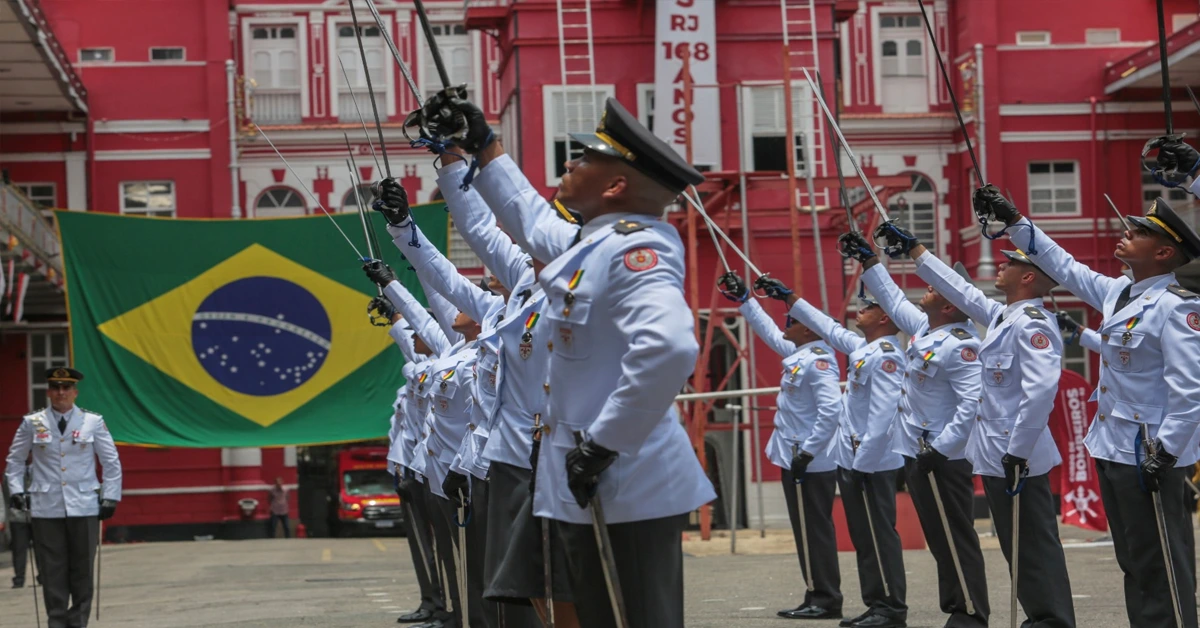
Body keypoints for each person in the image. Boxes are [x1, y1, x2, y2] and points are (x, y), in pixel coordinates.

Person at [415, 93, 716, 628]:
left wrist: (603, 444)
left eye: (584, 160)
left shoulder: (634, 250)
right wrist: (483, 147)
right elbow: (526, 216)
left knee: (634, 617)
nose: (570, 165)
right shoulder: (591, 242)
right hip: (580, 478)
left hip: (627, 482)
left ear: (615, 186)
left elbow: (670, 347)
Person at [975, 158, 1200, 628]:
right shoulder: (1119, 294)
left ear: (1163, 254)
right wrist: (1014, 221)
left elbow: (1190, 388)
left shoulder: (1177, 308)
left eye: (1138, 233)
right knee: (1135, 560)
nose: (1125, 234)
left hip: (1150, 449)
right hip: (1113, 446)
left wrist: (1170, 450)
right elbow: (1062, 263)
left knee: (1161, 561)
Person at [876, 221, 1076, 628]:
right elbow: (962, 290)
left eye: (1011, 262)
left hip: (1017, 455)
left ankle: (1051, 621)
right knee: (1017, 548)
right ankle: (1040, 619)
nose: (1000, 264)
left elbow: (1039, 394)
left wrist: (1017, 452)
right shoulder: (1005, 315)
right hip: (996, 455)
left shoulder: (1033, 322)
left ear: (1029, 276)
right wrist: (916, 252)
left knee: (1033, 546)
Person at [840, 231, 990, 628]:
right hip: (918, 453)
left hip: (941, 456)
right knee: (940, 540)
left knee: (955, 537)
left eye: (934, 288)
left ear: (950, 304)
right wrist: (870, 262)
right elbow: (890, 299)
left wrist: (940, 449)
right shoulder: (927, 330)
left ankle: (971, 614)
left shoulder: (961, 345)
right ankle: (957, 609)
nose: (925, 290)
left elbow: (973, 403)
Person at [755, 275, 909, 628]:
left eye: (869, 306)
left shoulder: (886, 355)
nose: (860, 309)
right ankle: (877, 604)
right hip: (854, 460)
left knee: (876, 536)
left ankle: (889, 608)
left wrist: (862, 464)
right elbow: (825, 326)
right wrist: (791, 298)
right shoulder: (861, 348)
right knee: (864, 537)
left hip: (870, 463)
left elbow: (883, 415)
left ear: (885, 317)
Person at [717, 271, 844, 621]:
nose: (785, 324)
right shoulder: (802, 352)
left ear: (808, 330)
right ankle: (816, 592)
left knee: (813, 530)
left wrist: (808, 451)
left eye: (792, 321)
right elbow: (770, 333)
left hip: (808, 460)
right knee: (807, 530)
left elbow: (831, 409)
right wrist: (746, 301)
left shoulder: (818, 363)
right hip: (797, 456)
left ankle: (825, 598)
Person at [5, 367, 122, 628]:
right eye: (56, 388)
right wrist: (16, 491)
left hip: (84, 505)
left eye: (66, 388)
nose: (61, 393)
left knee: (82, 568)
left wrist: (111, 496)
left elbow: (111, 461)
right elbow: (14, 461)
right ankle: (56, 622)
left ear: (75, 392)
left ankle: (78, 620)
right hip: (47, 507)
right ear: (48, 392)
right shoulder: (32, 422)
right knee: (51, 569)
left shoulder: (92, 422)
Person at [2, 462, 33, 588]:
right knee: (19, 549)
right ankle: (19, 578)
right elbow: (6, 493)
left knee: (43, 549)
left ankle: (43, 576)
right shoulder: (9, 472)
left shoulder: (40, 467)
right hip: (17, 516)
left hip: (38, 514)